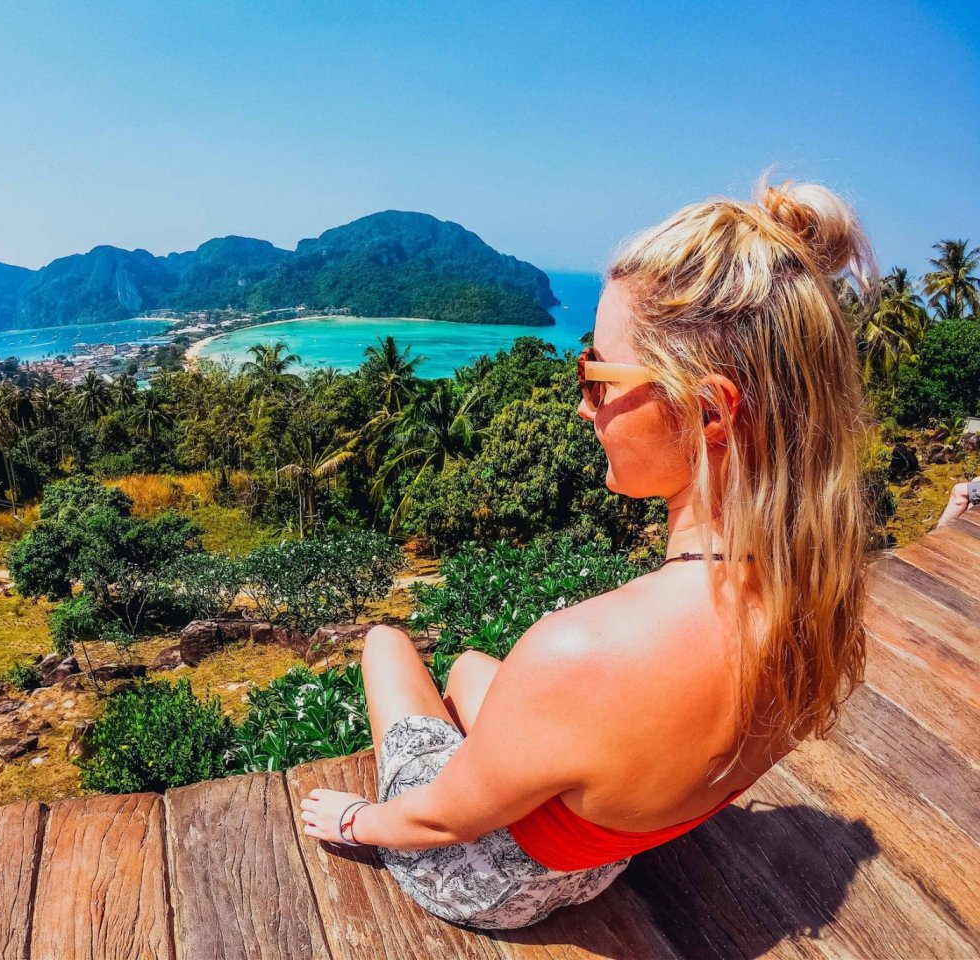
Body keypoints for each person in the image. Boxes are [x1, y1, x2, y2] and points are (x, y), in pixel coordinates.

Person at [297, 173, 954, 931]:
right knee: (473, 667)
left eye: (598, 376)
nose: (583, 403)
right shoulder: (816, 602)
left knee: (385, 642)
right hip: (608, 850)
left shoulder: (581, 650)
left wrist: (352, 819)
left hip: (491, 878)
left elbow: (440, 824)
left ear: (709, 408)